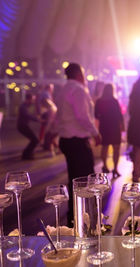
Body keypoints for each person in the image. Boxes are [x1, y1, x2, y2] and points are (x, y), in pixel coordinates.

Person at [55, 62, 101, 227]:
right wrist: (96, 133)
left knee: (74, 179)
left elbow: (58, 116)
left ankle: (74, 217)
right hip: (77, 141)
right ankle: (85, 218)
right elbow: (82, 116)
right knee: (85, 180)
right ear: (78, 74)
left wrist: (52, 133)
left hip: (66, 140)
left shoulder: (61, 90)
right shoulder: (78, 90)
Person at [95, 83, 124, 178]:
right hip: (114, 127)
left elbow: (96, 115)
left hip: (104, 126)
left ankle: (105, 166)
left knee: (104, 147)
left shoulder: (99, 101)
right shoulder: (114, 101)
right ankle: (115, 168)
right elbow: (119, 115)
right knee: (116, 148)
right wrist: (122, 126)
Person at [17, 93, 39, 160]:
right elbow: (27, 116)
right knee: (35, 140)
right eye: (33, 99)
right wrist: (38, 120)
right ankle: (26, 155)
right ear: (29, 99)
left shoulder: (25, 106)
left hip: (23, 125)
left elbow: (28, 115)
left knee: (34, 140)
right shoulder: (23, 106)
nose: (33, 101)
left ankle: (27, 154)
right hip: (22, 126)